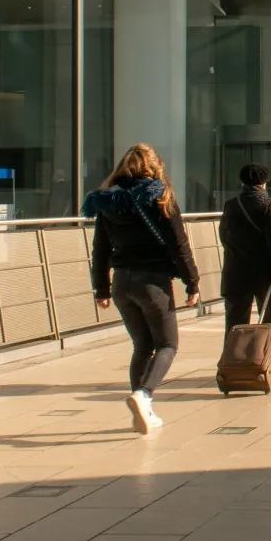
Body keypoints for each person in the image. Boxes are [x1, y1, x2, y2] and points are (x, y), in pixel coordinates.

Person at [85, 144, 200, 436]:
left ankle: (144, 410)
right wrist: (192, 282)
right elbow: (179, 244)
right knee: (167, 345)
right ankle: (144, 395)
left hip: (121, 282)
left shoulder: (107, 202)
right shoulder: (161, 197)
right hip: (153, 282)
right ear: (154, 167)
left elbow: (100, 250)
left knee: (142, 347)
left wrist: (101, 288)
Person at [220, 163, 271, 336]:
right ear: (264, 182)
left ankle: (233, 357)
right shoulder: (268, 204)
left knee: (235, 321)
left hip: (235, 270)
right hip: (263, 272)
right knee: (270, 317)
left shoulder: (231, 204)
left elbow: (224, 236)